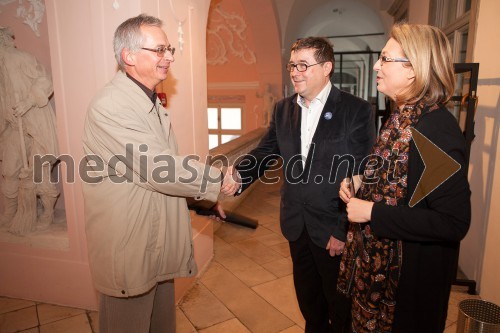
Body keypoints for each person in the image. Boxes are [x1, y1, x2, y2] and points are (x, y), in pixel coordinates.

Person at [221, 37, 376, 333]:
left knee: (339, 306)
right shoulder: (283, 109)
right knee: (309, 303)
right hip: (296, 223)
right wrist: (240, 175)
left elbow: (360, 172)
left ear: (327, 67)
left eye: (303, 65)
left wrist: (341, 228)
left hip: (332, 227)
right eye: (292, 65)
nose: (295, 72)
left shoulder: (355, 110)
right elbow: (266, 151)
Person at [82, 14, 222, 333]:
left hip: (156, 239)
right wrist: (217, 180)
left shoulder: (151, 103)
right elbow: (158, 168)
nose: (169, 57)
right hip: (130, 244)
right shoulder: (111, 106)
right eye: (159, 50)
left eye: (169, 49)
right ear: (129, 56)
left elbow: (154, 173)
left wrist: (199, 200)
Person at [337, 23, 471, 333]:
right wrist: (359, 182)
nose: (376, 65)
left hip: (404, 290)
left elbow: (452, 223)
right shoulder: (400, 118)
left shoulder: (436, 130)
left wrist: (372, 212)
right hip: (373, 273)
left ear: (413, 69)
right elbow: (397, 181)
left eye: (385, 59)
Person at [0, 26, 59, 231]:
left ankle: (48, 211)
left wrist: (29, 100)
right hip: (10, 125)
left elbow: (45, 80)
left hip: (34, 120)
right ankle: (11, 212)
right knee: (9, 169)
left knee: (39, 169)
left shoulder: (21, 58)